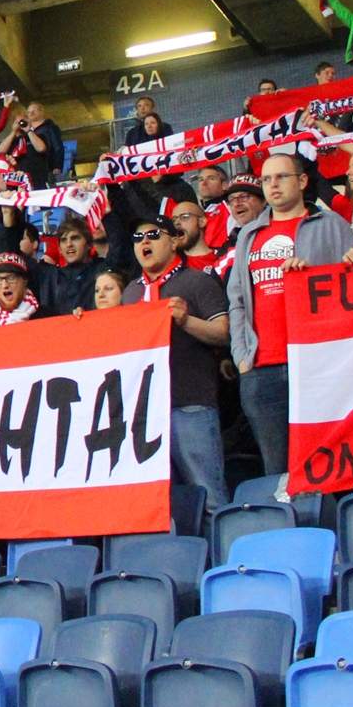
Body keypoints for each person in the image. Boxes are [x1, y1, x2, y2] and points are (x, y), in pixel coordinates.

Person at [224, 154, 353, 477]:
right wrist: (242, 356)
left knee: (329, 466)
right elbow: (237, 300)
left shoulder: (332, 224)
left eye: (281, 177)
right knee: (278, 473)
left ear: (303, 181)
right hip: (262, 368)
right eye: (266, 180)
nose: (273, 185)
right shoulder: (248, 234)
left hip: (317, 364)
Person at [123, 213, 231, 509]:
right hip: (145, 413)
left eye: (153, 235)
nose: (144, 241)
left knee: (208, 496)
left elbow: (224, 333)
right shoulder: (131, 293)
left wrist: (186, 321)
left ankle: (221, 540)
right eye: (138, 238)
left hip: (190, 403)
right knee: (161, 505)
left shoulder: (197, 281)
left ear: (174, 242)